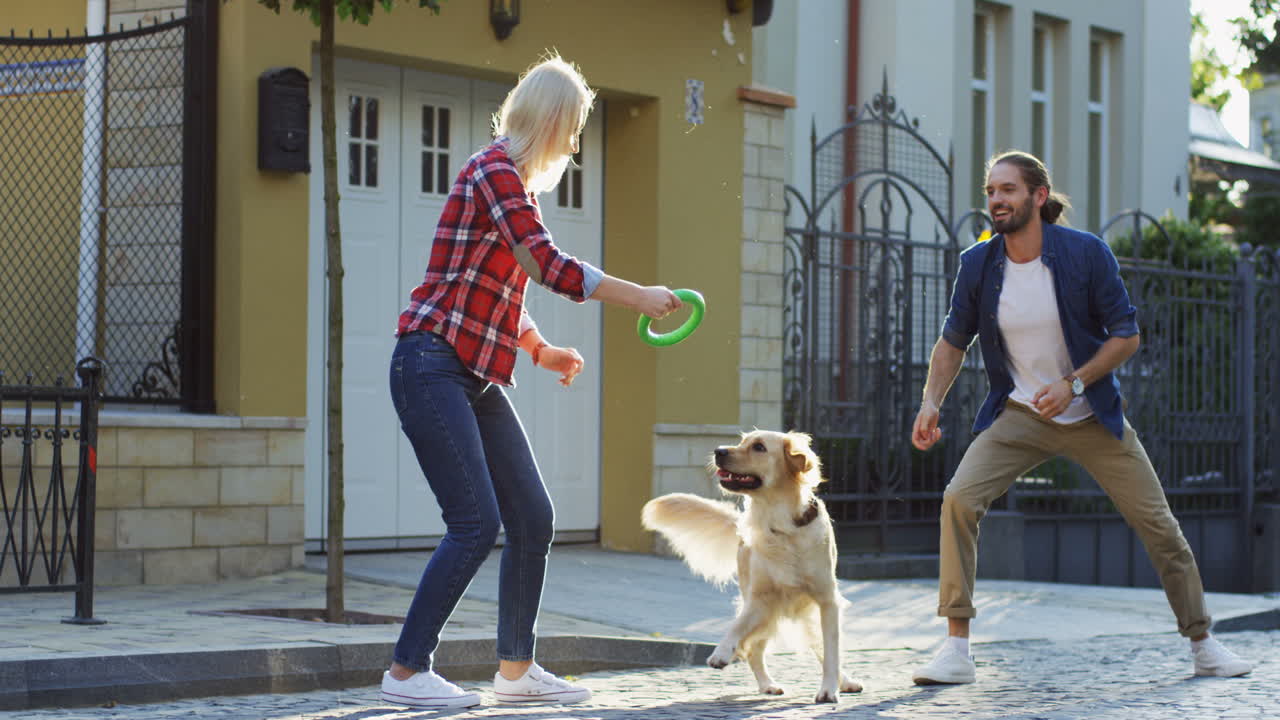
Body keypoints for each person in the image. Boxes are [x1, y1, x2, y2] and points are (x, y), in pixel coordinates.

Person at [381, 54, 681, 709]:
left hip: (473, 372)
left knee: (533, 516)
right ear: (549, 120)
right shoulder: (495, 172)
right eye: (573, 128)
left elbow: (498, 287)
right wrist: (641, 297)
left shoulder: (511, 183)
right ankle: (407, 672)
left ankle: (516, 670)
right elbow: (545, 264)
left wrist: (539, 349)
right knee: (474, 521)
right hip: (430, 363)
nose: (574, 144)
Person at [908, 150, 1253, 685]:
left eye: (1008, 190)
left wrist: (1074, 382)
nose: (997, 200)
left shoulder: (1085, 254)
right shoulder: (978, 263)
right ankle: (957, 649)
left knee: (1158, 525)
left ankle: (1204, 643)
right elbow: (954, 341)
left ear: (1038, 196)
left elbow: (1127, 336)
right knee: (959, 499)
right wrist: (931, 400)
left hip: (1091, 414)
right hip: (1019, 413)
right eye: (991, 192)